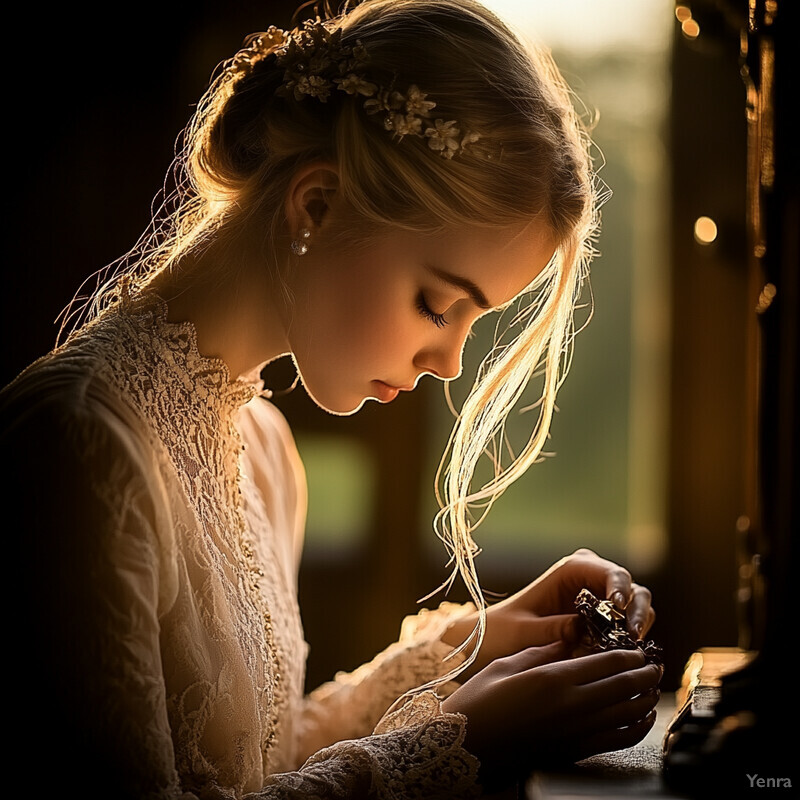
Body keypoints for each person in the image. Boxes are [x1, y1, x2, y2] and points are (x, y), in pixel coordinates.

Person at [2, 1, 661, 797]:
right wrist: (464, 744)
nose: (450, 361)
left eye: (471, 320)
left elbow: (262, 764)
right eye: (435, 303)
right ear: (316, 204)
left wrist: (469, 646)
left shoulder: (265, 449)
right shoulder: (81, 444)